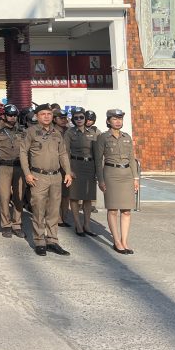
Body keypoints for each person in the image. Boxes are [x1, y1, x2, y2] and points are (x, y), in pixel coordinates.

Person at [20, 104, 73, 257]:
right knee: (38, 209)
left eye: (49, 114)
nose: (46, 116)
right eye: (43, 114)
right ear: (37, 116)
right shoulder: (31, 132)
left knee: (54, 210)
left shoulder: (57, 133)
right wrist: (27, 174)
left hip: (56, 176)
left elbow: (63, 154)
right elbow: (23, 153)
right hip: (38, 176)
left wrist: (67, 172)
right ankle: (39, 241)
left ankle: (52, 241)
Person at [94, 109, 138, 254]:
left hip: (126, 174)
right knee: (113, 209)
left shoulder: (127, 137)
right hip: (111, 174)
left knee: (126, 210)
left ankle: (125, 241)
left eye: (120, 118)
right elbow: (98, 159)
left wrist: (135, 178)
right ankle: (117, 242)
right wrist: (100, 179)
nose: (118, 121)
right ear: (108, 121)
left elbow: (131, 159)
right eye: (115, 119)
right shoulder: (103, 137)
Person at [0, 104, 26, 239]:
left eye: (15, 115)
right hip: (4, 167)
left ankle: (17, 224)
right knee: (4, 197)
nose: (13, 117)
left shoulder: (21, 130)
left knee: (19, 196)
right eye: (10, 115)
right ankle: (6, 225)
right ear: (3, 115)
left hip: (19, 167)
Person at [64, 107, 99, 236]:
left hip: (89, 165)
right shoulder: (69, 133)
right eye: (76, 117)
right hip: (75, 165)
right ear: (73, 119)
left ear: (85, 118)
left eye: (81, 117)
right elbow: (65, 152)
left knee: (88, 198)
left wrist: (98, 170)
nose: (79, 120)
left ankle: (87, 225)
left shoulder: (94, 132)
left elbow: (98, 153)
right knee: (74, 197)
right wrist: (69, 170)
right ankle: (78, 225)